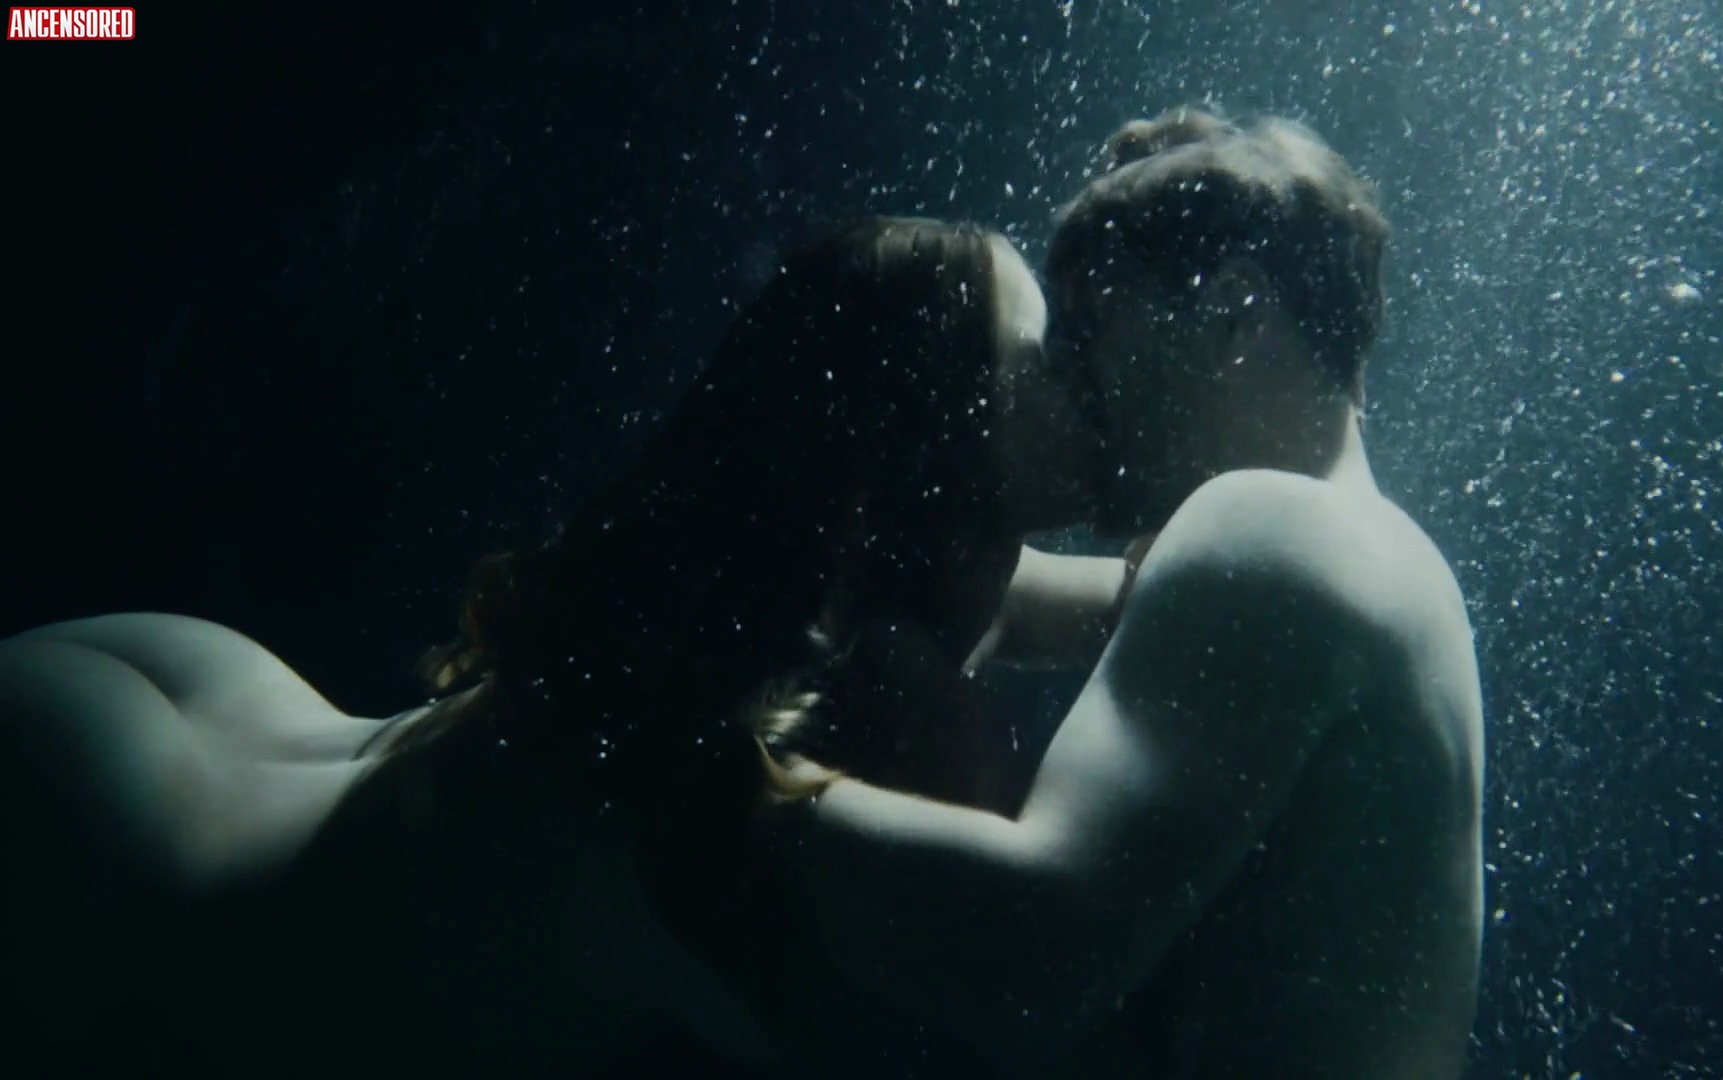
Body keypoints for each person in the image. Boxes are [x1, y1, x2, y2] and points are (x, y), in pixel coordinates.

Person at [0, 217, 1109, 1077]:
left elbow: (1139, 584)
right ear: (923, 437)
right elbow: (1062, 936)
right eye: (1042, 354)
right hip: (106, 836)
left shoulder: (855, 617)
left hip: (183, 739)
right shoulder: (704, 791)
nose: (1080, 371)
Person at [768, 108, 1487, 1079]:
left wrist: (732, 786)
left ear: (1234, 312)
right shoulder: (1369, 555)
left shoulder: (1271, 530)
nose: (1070, 385)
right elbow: (1012, 596)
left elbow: (1032, 964)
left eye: (1088, 331)